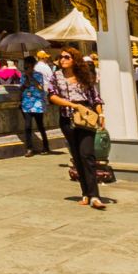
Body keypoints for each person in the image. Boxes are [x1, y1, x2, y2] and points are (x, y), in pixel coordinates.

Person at [46, 48, 106, 210]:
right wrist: (72, 105)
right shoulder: (56, 76)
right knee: (77, 156)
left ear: (74, 60)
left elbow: (96, 98)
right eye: (61, 57)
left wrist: (100, 115)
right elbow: (51, 96)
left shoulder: (84, 76)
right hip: (68, 118)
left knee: (87, 154)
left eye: (67, 57)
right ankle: (85, 193)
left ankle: (95, 195)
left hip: (85, 117)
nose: (63, 60)